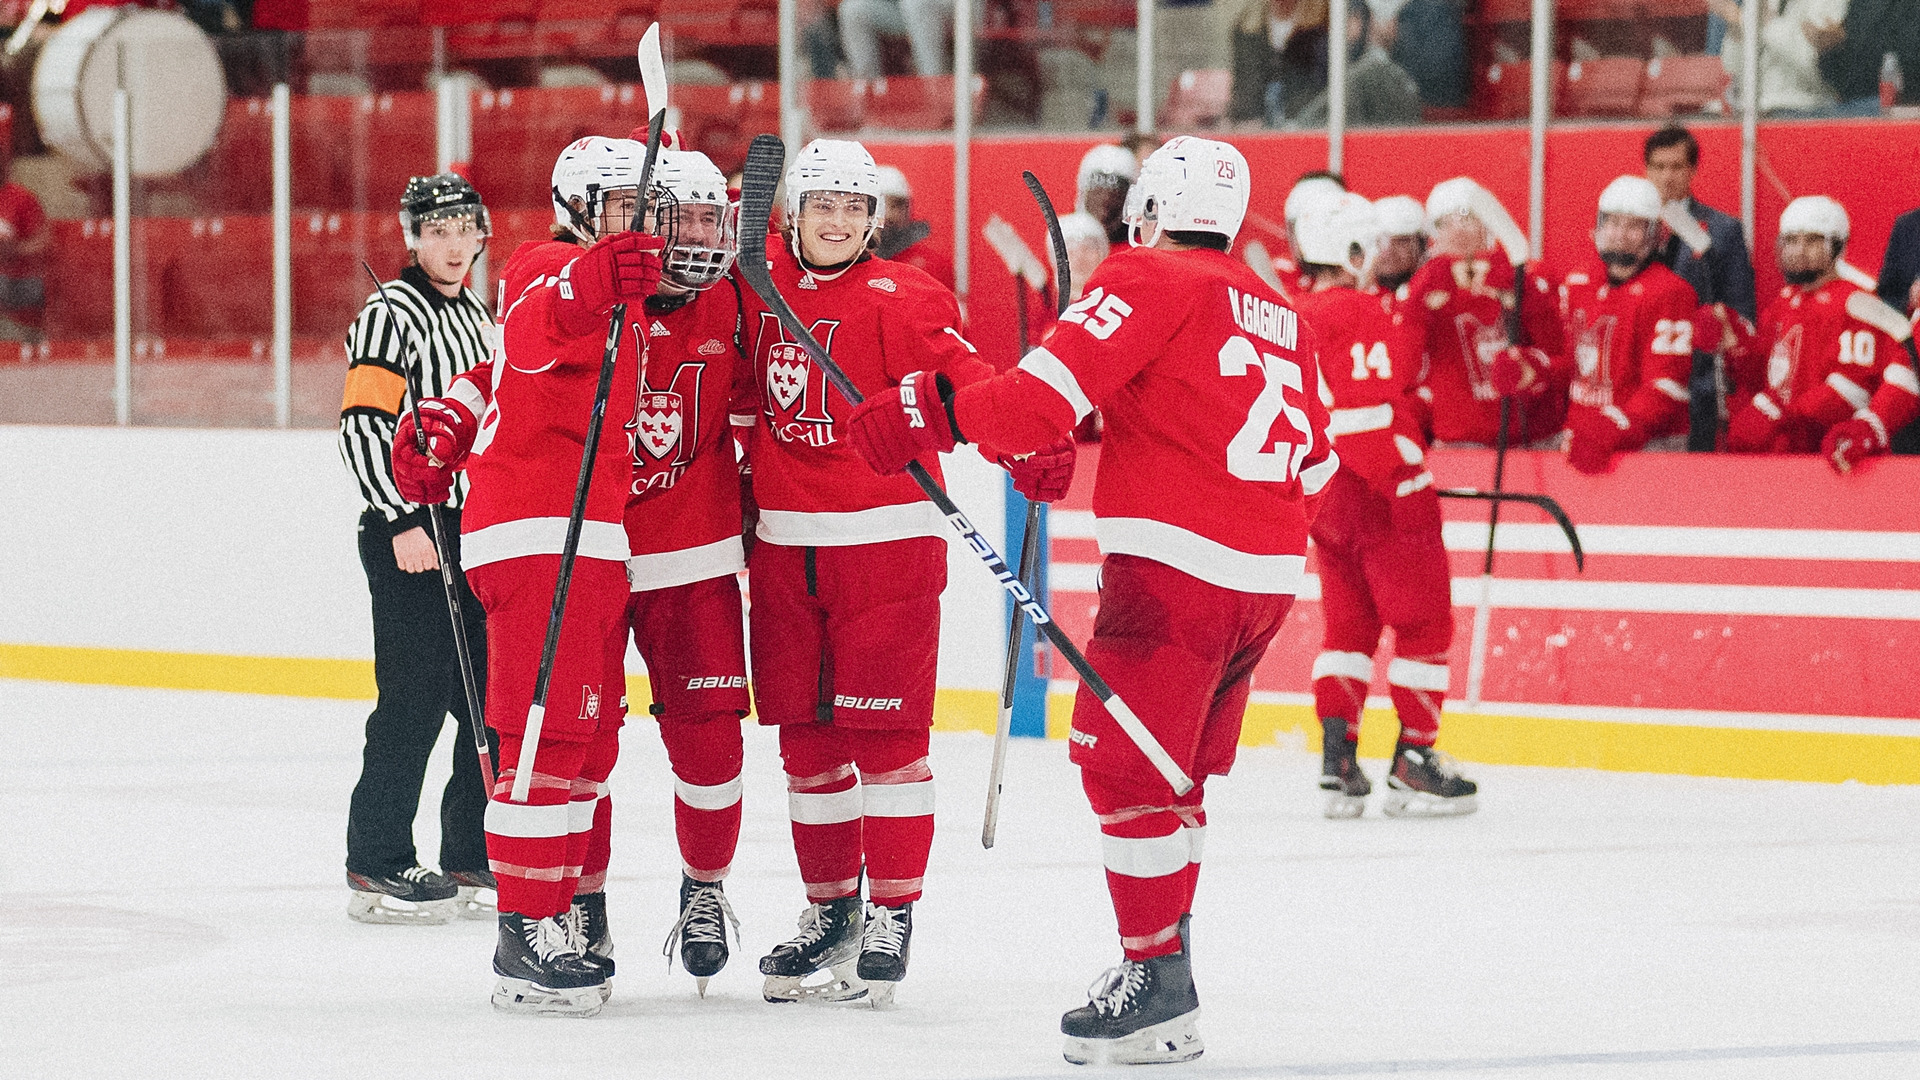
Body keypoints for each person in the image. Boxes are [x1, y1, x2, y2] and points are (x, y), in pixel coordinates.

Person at [846, 136, 1335, 1065]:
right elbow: (1320, 459)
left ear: (1148, 207)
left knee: (1121, 772)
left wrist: (928, 410)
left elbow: (1033, 401)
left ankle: (1155, 976)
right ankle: (1170, 963)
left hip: (1174, 569)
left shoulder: (1146, 275)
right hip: (1266, 577)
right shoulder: (1280, 307)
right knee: (1173, 776)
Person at [740, 138, 1068, 1008]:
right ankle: (829, 911)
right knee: (806, 750)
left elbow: (973, 385)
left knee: (885, 747)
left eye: (855, 207)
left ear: (873, 220)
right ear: (793, 213)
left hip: (884, 550)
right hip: (781, 550)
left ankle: (892, 911)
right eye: (823, 205)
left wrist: (1021, 443)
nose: (839, 220)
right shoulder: (758, 283)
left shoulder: (908, 296)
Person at [393, 135, 665, 1017]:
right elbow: (543, 319)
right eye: (621, 206)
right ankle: (525, 929)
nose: (639, 225)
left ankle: (571, 909)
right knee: (544, 740)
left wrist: (452, 415)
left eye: (643, 207)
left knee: (586, 743)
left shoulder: (625, 299)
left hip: (587, 539)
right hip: (539, 532)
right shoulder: (551, 263)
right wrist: (595, 277)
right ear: (583, 206)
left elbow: (501, 365)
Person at [337, 173, 496, 926]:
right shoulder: (388, 314)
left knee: (486, 697)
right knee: (414, 699)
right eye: (437, 230)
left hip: (471, 530)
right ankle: (377, 858)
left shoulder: (481, 317)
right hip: (411, 527)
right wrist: (401, 516)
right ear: (412, 238)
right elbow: (365, 424)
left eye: (465, 229)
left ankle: (471, 849)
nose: (454, 244)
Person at [619, 146, 758, 995]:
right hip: (596, 553)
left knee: (711, 743)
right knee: (581, 748)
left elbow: (765, 403)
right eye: (688, 219)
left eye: (715, 219)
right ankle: (580, 903)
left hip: (696, 556)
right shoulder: (593, 291)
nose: (703, 237)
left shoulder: (734, 300)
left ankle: (704, 888)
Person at [1290, 192, 1476, 819]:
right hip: (1377, 492)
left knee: (1347, 631)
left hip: (1324, 498)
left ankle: (1337, 763)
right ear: (1349, 250)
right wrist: (1404, 485)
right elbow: (1367, 419)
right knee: (1425, 626)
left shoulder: (1293, 312)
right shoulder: (1360, 311)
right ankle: (1414, 759)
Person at [1720, 196, 1919, 464]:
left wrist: (1785, 417)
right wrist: (1736, 344)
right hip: (1781, 450)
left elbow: (1852, 389)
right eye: (1791, 240)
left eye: (1812, 241)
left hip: (1827, 452)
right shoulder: (1784, 300)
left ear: (1836, 246)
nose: (1799, 250)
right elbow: (1769, 375)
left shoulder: (1856, 303)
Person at [1405, 177, 1567, 448]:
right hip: (1461, 442)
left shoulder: (1524, 275)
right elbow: (1406, 367)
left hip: (1531, 440)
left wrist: (1531, 367)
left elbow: (1558, 353)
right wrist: (1420, 305)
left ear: (1488, 224)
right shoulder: (1421, 287)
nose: (1458, 232)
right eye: (1445, 223)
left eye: (1468, 219)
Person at [1557, 176, 1701, 474]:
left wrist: (1612, 427)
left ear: (1655, 234)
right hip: (1581, 440)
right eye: (1612, 222)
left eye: (1634, 225)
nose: (1620, 234)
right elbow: (1566, 365)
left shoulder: (1671, 292)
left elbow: (1667, 387)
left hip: (1647, 446)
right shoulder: (1577, 282)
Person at [1644, 125, 1757, 449]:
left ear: (1692, 170)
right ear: (1646, 170)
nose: (1667, 177)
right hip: (1638, 380)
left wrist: (1720, 323)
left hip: (1698, 386)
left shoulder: (1724, 230)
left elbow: (1742, 311)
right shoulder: (1626, 229)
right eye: (1659, 167)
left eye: (1677, 167)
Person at [1294, 4, 1423, 128]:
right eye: (1348, 18)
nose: (1350, 25)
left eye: (1355, 18)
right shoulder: (1326, 51)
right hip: (1338, 129)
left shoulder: (1377, 69)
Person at [1229, 0, 1331, 127]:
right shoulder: (1246, 25)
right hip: (1256, 122)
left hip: (1307, 120)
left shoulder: (1322, 22)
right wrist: (1246, 118)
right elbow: (1244, 79)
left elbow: (1320, 82)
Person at [873, 164, 955, 290]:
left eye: (896, 206)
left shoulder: (933, 265)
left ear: (908, 209)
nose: (888, 214)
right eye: (880, 206)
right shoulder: (849, 263)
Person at [1077, 143, 1141, 250]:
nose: (1105, 199)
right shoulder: (1066, 244)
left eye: (1115, 194)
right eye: (1098, 192)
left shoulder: (1140, 250)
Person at [1369, 194, 1427, 295]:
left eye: (1401, 241)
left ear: (1421, 246)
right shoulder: (1355, 299)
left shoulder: (1437, 296)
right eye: (1380, 242)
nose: (1388, 251)